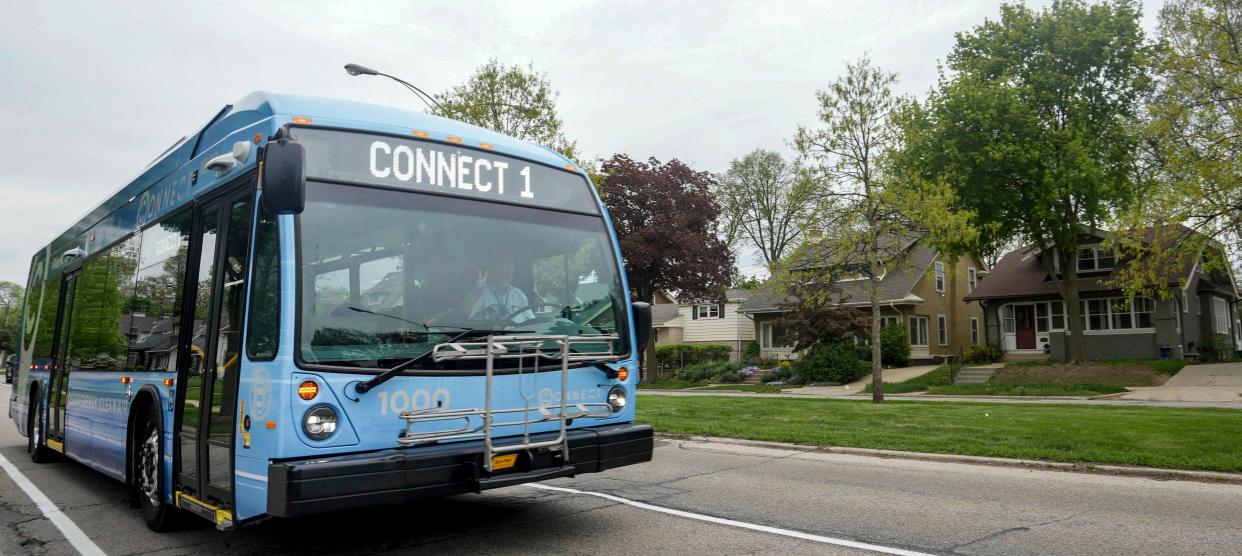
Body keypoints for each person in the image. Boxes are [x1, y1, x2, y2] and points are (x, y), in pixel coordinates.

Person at [459, 256, 534, 324]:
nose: (504, 273)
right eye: (500, 268)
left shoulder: (519, 294)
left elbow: (531, 321)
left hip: (518, 337)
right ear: (491, 270)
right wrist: (475, 294)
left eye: (508, 269)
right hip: (488, 338)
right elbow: (462, 316)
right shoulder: (479, 293)